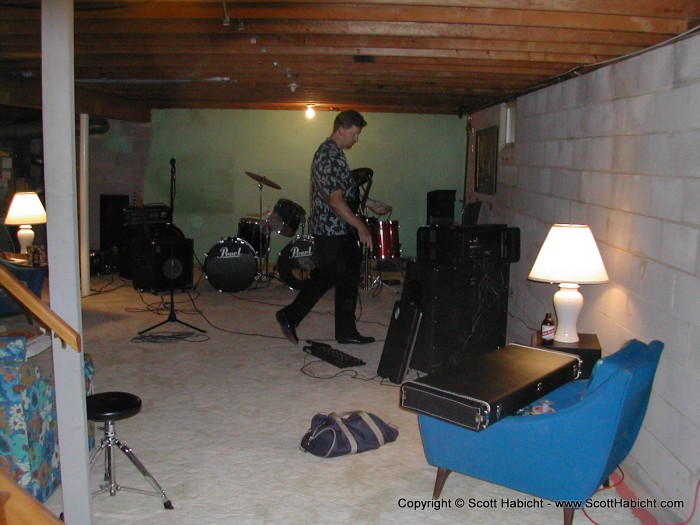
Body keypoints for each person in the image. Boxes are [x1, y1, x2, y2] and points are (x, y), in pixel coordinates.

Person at [276, 110, 391, 345]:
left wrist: (371, 203)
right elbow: (335, 200)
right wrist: (362, 227)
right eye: (355, 133)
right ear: (341, 129)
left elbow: (345, 192)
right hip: (332, 230)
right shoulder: (328, 155)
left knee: (346, 274)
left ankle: (345, 331)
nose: (356, 139)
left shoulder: (336, 154)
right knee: (326, 276)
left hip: (339, 229)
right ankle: (290, 315)